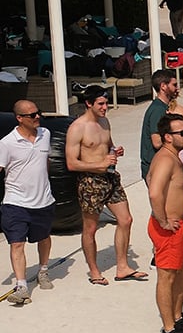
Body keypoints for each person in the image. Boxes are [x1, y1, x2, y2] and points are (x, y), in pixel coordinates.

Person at [65, 86, 144, 285]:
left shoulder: (105, 121)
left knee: (125, 220)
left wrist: (115, 150)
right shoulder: (77, 128)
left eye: (106, 103)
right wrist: (99, 164)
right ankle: (94, 271)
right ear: (88, 104)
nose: (105, 107)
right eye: (100, 104)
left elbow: (107, 145)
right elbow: (72, 163)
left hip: (110, 178)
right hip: (90, 182)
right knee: (90, 228)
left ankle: (123, 266)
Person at [145, 113, 183, 333]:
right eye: (182, 132)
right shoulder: (166, 160)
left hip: (177, 226)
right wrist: (163, 220)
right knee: (166, 276)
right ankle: (169, 329)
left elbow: (150, 179)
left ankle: (177, 316)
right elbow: (154, 191)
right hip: (167, 228)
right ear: (168, 137)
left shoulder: (174, 157)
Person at [0, 100, 55, 306]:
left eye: (38, 113)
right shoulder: (6, 143)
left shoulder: (45, 135)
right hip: (15, 202)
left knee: (44, 237)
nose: (37, 117)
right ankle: (22, 285)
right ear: (19, 118)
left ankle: (43, 270)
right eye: (32, 115)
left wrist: (44, 185)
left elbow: (45, 163)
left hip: (43, 200)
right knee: (17, 243)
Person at [140, 69, 179, 180]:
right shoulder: (158, 110)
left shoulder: (162, 107)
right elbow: (157, 142)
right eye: (174, 85)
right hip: (155, 166)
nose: (177, 89)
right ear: (163, 86)